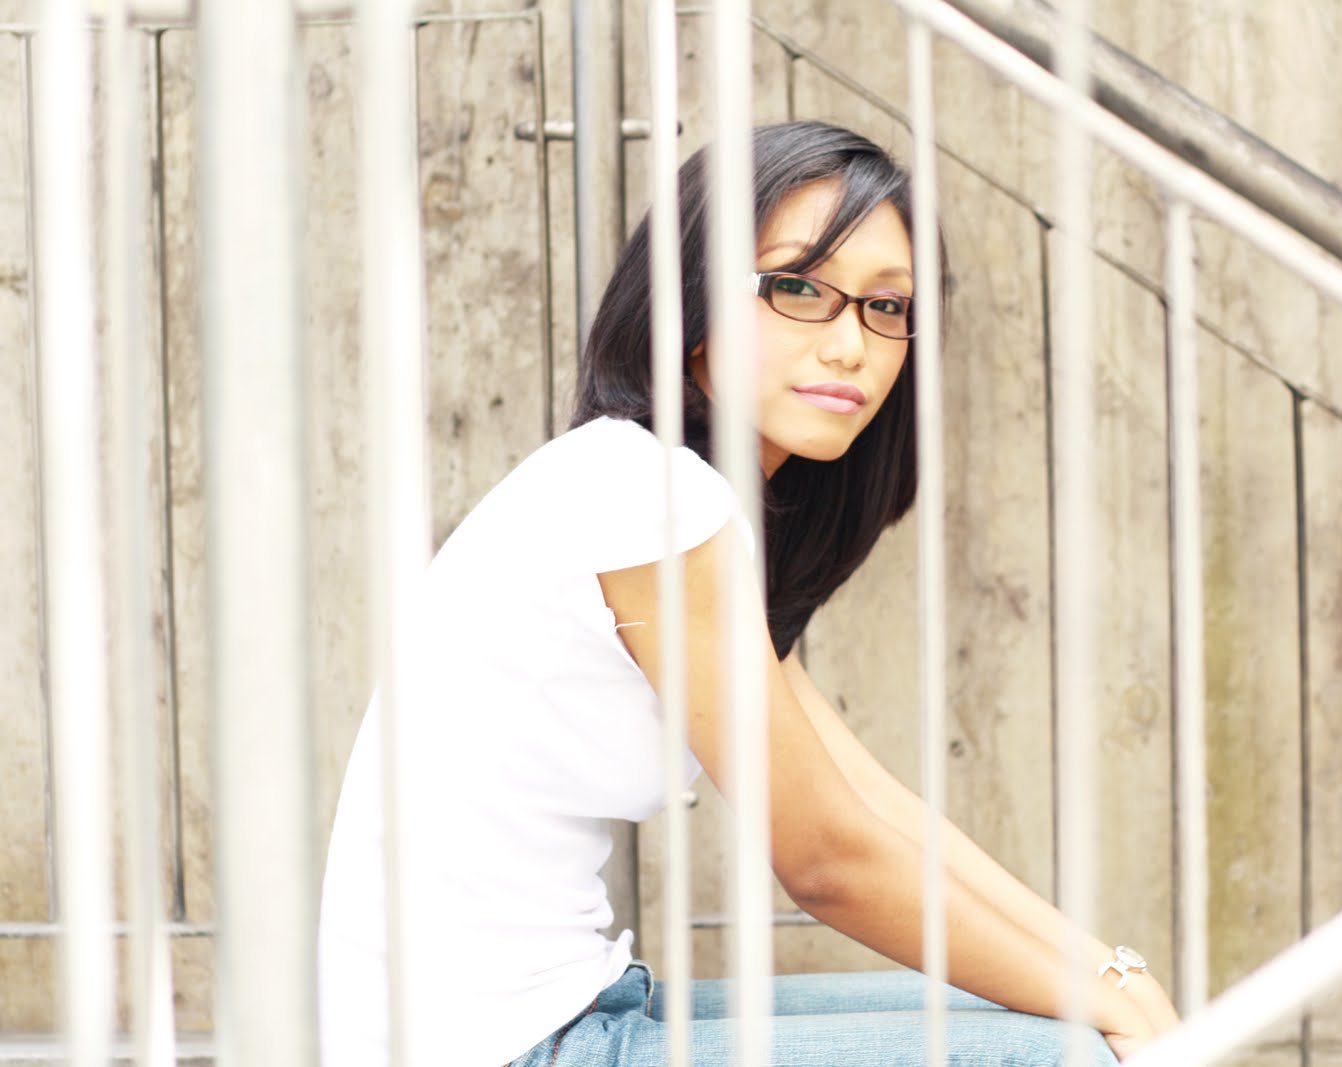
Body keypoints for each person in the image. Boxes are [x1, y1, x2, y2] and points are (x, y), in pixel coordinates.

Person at [318, 120, 1180, 1066]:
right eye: (798, 287)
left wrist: (1111, 972)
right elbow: (825, 859)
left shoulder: (669, 496)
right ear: (689, 304)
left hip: (572, 1003)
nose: (851, 345)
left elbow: (871, 802)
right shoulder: (644, 497)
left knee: (1063, 1022)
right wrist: (1106, 1001)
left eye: (887, 306)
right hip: (500, 1047)